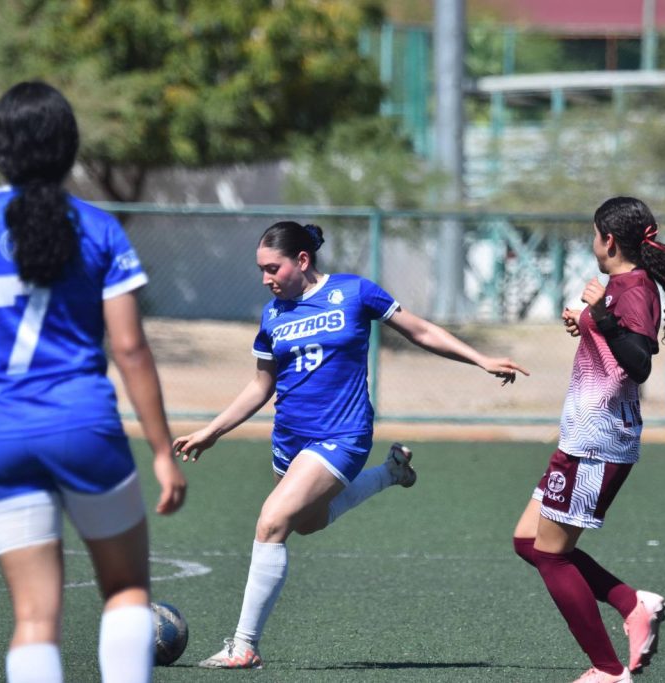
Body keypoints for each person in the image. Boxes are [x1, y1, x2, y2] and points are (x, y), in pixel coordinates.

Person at [173, 220, 529, 669]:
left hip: (343, 435)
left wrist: (480, 358)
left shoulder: (354, 292)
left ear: (302, 260)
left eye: (272, 268)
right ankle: (390, 473)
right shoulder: (273, 315)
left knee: (272, 522)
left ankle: (244, 645)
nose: (265, 278)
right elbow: (261, 386)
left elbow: (419, 330)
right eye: (261, 269)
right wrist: (212, 431)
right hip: (289, 440)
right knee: (306, 524)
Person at [0, 81, 186, 683]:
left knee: (34, 618)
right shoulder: (99, 228)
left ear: (0, 148)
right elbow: (129, 348)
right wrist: (161, 451)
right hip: (84, 428)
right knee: (125, 589)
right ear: (68, 147)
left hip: (0, 436)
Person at [512, 197, 665, 683]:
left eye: (594, 235)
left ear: (609, 240)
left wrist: (599, 316)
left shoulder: (635, 288)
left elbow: (638, 363)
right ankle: (631, 603)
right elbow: (612, 337)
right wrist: (584, 320)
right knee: (527, 541)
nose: (593, 243)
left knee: (551, 556)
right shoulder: (622, 286)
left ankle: (607, 670)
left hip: (597, 443)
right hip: (581, 438)